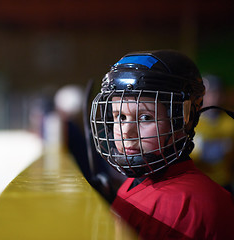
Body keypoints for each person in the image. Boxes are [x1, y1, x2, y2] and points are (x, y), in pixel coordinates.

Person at [89, 49, 234, 239]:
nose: (126, 131)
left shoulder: (188, 207)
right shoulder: (141, 179)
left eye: (145, 117)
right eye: (120, 117)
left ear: (184, 118)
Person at [190, 74, 234, 194]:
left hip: (224, 183)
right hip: (200, 183)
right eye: (209, 94)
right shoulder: (191, 123)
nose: (213, 98)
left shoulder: (230, 122)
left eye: (217, 93)